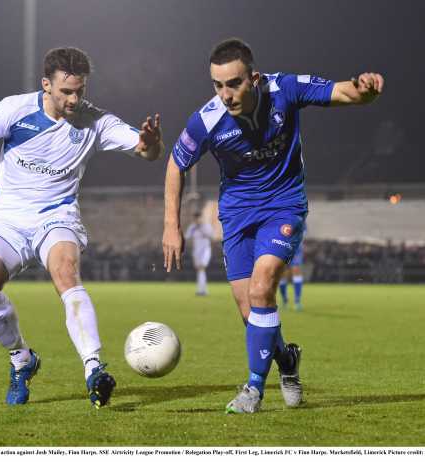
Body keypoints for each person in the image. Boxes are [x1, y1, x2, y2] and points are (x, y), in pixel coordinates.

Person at [162, 38, 383, 413]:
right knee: (251, 313)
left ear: (255, 78)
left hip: (284, 206)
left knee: (263, 288)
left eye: (234, 83)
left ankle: (252, 390)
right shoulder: (206, 120)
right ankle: (287, 360)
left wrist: (367, 92)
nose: (226, 94)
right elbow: (175, 164)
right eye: (217, 85)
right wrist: (171, 225)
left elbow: (345, 93)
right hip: (236, 216)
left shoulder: (285, 90)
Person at [0, 47, 164, 408]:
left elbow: (146, 150)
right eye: (66, 92)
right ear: (47, 85)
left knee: (65, 271)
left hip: (56, 216)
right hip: (6, 218)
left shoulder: (96, 122)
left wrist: (152, 144)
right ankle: (21, 358)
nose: (74, 99)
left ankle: (94, 369)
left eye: (80, 91)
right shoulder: (15, 109)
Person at [185, 211, 214, 295]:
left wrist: (201, 229)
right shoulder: (192, 227)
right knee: (200, 270)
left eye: (198, 218)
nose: (197, 220)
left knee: (201, 268)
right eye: (195, 218)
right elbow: (187, 236)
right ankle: (202, 290)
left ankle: (202, 290)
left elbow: (212, 236)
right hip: (196, 251)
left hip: (205, 250)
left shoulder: (206, 226)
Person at [279, 225, 306, 311]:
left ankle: (297, 301)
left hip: (296, 248)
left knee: (296, 270)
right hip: (282, 247)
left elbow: (304, 230)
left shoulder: (299, 215)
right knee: (282, 274)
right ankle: (284, 299)